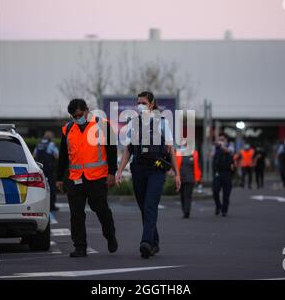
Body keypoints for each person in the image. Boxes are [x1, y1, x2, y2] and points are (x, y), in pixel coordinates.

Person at [116, 91, 181, 259]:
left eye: (143, 102)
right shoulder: (133, 123)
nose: (140, 105)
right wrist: (119, 171)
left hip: (156, 169)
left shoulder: (162, 122)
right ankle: (155, 242)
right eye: (138, 102)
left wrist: (177, 173)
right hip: (138, 168)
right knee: (144, 207)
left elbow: (170, 149)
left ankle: (145, 242)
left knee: (150, 205)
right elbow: (128, 150)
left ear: (152, 104)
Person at [56, 99, 118, 257]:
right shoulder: (68, 129)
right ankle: (80, 247)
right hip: (75, 178)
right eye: (73, 116)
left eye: (79, 115)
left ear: (87, 110)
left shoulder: (102, 125)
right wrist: (59, 178)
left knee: (101, 210)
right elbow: (63, 156)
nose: (77, 119)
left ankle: (110, 235)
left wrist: (112, 173)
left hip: (97, 177)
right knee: (76, 214)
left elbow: (111, 150)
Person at [33, 131, 59, 211]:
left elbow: (34, 155)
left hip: (40, 169)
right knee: (51, 187)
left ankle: (39, 206)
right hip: (49, 169)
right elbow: (57, 155)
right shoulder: (51, 144)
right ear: (51, 137)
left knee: (40, 187)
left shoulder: (39, 144)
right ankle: (51, 206)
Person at [175, 139, 202, 218]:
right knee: (182, 196)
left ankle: (187, 212)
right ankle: (185, 210)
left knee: (187, 196)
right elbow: (175, 165)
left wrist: (198, 178)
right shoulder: (179, 153)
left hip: (190, 179)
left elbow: (198, 166)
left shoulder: (194, 154)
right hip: (181, 179)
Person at [212, 135, 235, 217]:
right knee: (215, 191)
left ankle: (224, 210)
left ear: (226, 140)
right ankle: (218, 206)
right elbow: (212, 156)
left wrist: (222, 146)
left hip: (227, 174)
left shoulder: (230, 147)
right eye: (220, 140)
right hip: (218, 173)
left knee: (226, 193)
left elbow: (229, 151)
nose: (221, 141)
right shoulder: (216, 149)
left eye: (223, 140)